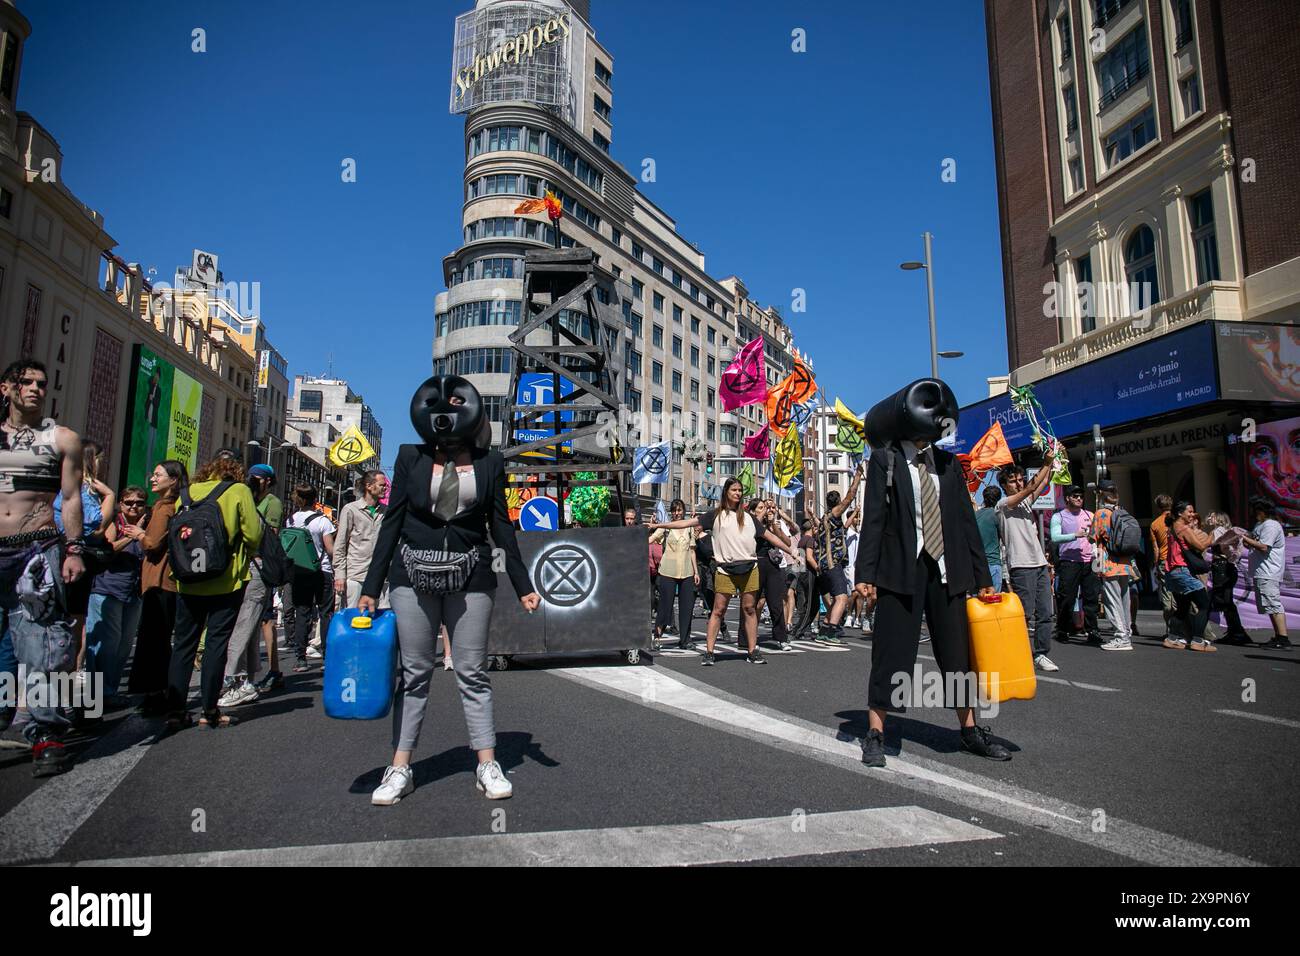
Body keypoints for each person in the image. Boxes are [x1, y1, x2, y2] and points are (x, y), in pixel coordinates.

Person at [360, 375, 539, 806]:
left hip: (472, 576)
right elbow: (393, 522)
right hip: (412, 577)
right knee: (415, 673)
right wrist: (371, 585)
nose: (448, 408)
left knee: (472, 672)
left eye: (458, 400)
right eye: (441, 401)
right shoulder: (409, 457)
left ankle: (487, 764)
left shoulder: (490, 462)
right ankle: (400, 767)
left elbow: (500, 525)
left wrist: (523, 583)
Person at [855, 429, 1010, 768]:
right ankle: (875, 733)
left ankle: (969, 731)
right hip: (900, 571)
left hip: (945, 569)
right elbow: (874, 517)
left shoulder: (948, 463)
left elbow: (965, 521)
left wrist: (982, 577)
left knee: (957, 654)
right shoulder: (887, 459)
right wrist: (865, 573)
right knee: (891, 653)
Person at [0, 359, 86, 776]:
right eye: (25, 382)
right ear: (6, 388)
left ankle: (48, 733)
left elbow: (70, 499)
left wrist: (73, 550)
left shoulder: (61, 439)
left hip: (34, 550)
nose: (34, 388)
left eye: (41, 383)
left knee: (45, 647)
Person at [164, 455, 264, 730]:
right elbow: (254, 535)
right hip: (226, 579)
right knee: (216, 645)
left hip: (187, 580)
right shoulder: (239, 491)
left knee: (183, 644)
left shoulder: (186, 493)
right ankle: (209, 711)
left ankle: (175, 710)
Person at [649, 477, 790, 666]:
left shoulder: (749, 518)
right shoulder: (715, 515)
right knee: (718, 610)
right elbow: (686, 523)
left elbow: (770, 536)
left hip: (749, 568)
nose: (738, 493)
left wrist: (791, 551)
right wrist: (658, 525)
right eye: (734, 490)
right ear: (726, 493)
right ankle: (709, 652)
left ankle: (752, 651)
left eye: (740, 490)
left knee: (749, 609)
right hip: (725, 570)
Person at [216, 463, 283, 708]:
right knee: (248, 627)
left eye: (259, 477)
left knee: (245, 626)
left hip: (256, 569)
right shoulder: (240, 497)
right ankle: (245, 680)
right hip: (242, 570)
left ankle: (237, 680)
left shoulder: (270, 503)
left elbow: (265, 535)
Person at [84, 485, 148, 707]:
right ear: (121, 503)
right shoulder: (114, 522)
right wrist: (132, 537)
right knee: (106, 645)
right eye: (129, 502)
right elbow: (109, 548)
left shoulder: (146, 526)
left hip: (133, 592)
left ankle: (109, 691)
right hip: (107, 589)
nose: (134, 507)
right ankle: (96, 695)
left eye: (139, 503)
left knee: (123, 645)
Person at [54, 440, 115, 669]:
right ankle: (61, 688)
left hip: (67, 556)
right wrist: (109, 496)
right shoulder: (83, 488)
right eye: (100, 459)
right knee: (72, 624)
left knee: (71, 623)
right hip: (71, 557)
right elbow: (95, 527)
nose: (102, 464)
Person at [132, 460, 186, 715]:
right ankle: (161, 689)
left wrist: (139, 534)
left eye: (158, 475)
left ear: (173, 480)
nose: (152, 479)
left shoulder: (164, 508)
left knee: (153, 639)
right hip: (170, 581)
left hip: (158, 580)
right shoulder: (178, 506)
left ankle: (155, 693)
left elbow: (152, 544)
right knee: (161, 638)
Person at [997, 463, 1059, 672]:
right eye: (1013, 480)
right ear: (1004, 485)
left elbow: (1042, 484)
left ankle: (1041, 654)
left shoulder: (1025, 504)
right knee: (1024, 614)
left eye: (1020, 478)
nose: (1019, 482)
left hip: (1039, 563)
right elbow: (1032, 487)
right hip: (1021, 566)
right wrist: (1046, 462)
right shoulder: (1004, 504)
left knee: (1045, 612)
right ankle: (1014, 652)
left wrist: (1054, 464)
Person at [807, 466, 864, 645]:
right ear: (837, 502)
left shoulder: (824, 519)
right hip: (833, 563)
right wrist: (857, 477)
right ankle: (831, 632)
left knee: (835, 599)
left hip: (823, 564)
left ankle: (824, 629)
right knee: (842, 598)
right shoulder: (834, 514)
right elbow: (850, 497)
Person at [286, 485, 337, 672]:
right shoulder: (323, 521)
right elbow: (330, 549)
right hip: (321, 570)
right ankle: (326, 656)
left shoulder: (290, 520)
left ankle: (301, 658)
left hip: (299, 571)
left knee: (302, 613)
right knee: (325, 613)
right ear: (315, 498)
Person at [1162, 500, 1215, 653]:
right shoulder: (1183, 528)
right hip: (1181, 571)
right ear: (1180, 513)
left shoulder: (1172, 527)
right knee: (1204, 604)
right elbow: (1201, 545)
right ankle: (1198, 640)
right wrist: (1213, 533)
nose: (1192, 514)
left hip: (1172, 572)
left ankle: (1171, 638)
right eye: (1189, 512)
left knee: (1183, 607)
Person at [1091, 480, 1138, 651]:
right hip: (1124, 561)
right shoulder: (1121, 511)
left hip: (1108, 561)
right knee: (1124, 598)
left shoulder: (1101, 513)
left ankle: (1121, 636)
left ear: (1100, 494)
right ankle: (1127, 630)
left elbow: (1093, 536)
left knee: (1112, 600)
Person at [1052, 484, 1101, 645]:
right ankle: (1063, 629)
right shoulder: (1059, 516)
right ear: (1067, 498)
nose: (1079, 498)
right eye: (1075, 496)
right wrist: (1075, 535)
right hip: (1069, 562)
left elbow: (1097, 536)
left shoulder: (1090, 514)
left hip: (1089, 561)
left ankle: (1093, 630)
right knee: (1067, 598)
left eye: (1080, 496)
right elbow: (1055, 537)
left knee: (1091, 598)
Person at [334, 469, 389, 609]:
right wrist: (340, 574)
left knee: (380, 622)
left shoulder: (387, 511)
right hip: (356, 575)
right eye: (382, 485)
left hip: (381, 577)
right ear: (369, 486)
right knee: (354, 619)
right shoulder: (351, 509)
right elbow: (340, 544)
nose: (385, 488)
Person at [1242, 497, 1291, 650]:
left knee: (1273, 603)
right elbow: (1255, 543)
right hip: (1261, 570)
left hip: (1269, 570)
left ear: (1260, 511)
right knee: (1269, 605)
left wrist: (1244, 538)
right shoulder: (1260, 525)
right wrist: (1247, 540)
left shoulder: (1271, 525)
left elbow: (1264, 546)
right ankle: (1278, 636)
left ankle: (1283, 638)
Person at [650, 499, 699, 650]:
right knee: (665, 605)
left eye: (680, 510)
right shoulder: (666, 527)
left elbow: (692, 551)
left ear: (683, 511)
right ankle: (657, 635)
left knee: (687, 607)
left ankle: (685, 639)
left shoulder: (689, 527)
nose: (677, 513)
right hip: (668, 571)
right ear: (671, 512)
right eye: (674, 510)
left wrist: (696, 572)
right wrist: (649, 529)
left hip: (687, 572)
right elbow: (650, 539)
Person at [1202, 511, 1253, 646]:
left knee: (1223, 600)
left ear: (1218, 519)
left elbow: (1208, 545)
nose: (1209, 518)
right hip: (1227, 568)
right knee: (1225, 600)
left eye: (1212, 516)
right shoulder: (1227, 532)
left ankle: (1236, 633)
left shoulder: (1218, 531)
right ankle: (1236, 632)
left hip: (1221, 567)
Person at [752, 499, 794, 651]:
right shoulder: (753, 521)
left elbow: (786, 542)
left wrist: (773, 525)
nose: (768, 510)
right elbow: (755, 533)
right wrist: (764, 518)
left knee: (776, 603)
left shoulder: (775, 523)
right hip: (756, 564)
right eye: (762, 507)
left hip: (773, 565)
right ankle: (749, 636)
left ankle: (781, 638)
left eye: (770, 507)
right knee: (755, 603)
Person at [1149, 495, 1178, 637]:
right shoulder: (1178, 520)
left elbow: (1156, 548)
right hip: (1178, 560)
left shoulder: (1155, 524)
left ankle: (1170, 629)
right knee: (1180, 593)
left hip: (1163, 561)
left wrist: (1155, 565)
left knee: (1167, 594)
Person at [974, 485, 1004, 593]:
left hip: (976, 566)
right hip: (993, 564)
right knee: (994, 604)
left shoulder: (975, 515)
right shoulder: (997, 515)